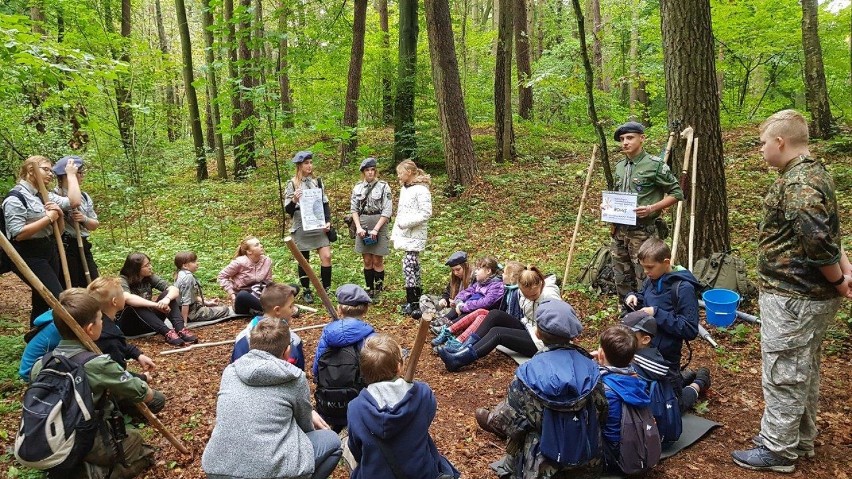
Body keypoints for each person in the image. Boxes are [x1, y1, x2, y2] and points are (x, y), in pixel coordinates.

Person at [732, 110, 852, 473]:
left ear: (780, 142)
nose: (762, 151)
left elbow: (818, 241)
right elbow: (833, 235)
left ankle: (778, 450)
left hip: (794, 296)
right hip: (807, 296)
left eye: (764, 144)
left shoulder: (799, 184)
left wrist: (837, 279)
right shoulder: (816, 174)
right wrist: (845, 273)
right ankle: (798, 438)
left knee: (784, 370)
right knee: (803, 366)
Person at [30, 288, 163, 478]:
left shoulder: (41, 364)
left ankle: (69, 463)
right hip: (84, 438)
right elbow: (143, 393)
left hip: (46, 438)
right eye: (101, 319)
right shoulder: (98, 363)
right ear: (91, 329)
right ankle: (90, 473)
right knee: (140, 446)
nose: (104, 322)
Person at [475, 300, 607, 479]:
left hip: (542, 465)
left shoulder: (527, 373)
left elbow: (510, 423)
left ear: (537, 333)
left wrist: (494, 420)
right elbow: (602, 411)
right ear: (573, 335)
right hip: (587, 459)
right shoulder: (592, 369)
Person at [202, 318, 342, 479]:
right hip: (270, 472)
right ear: (287, 350)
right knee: (331, 440)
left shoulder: (230, 372)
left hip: (218, 467)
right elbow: (306, 426)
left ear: (251, 344)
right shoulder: (294, 377)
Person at [346, 334, 459, 479]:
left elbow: (357, 450)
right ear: (399, 367)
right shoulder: (423, 394)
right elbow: (427, 418)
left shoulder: (355, 408)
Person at [609, 121, 684, 298]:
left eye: (630, 137)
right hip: (619, 231)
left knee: (646, 277)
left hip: (642, 232)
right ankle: (626, 312)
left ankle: (648, 314)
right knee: (621, 277)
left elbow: (677, 193)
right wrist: (608, 206)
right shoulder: (620, 166)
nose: (625, 142)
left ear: (642, 138)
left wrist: (652, 208)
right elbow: (618, 194)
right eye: (622, 139)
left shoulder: (655, 165)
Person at [437, 265, 561, 372]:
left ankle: (458, 360)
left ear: (540, 284)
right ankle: (462, 348)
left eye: (533, 295)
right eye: (526, 295)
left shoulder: (550, 295)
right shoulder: (520, 291)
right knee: (495, 314)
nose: (530, 298)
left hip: (542, 341)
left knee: (498, 333)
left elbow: (559, 320)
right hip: (528, 327)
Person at [3, 155, 80, 324]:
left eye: (51, 171)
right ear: (31, 170)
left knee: (41, 300)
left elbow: (72, 202)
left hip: (49, 249)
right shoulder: (15, 198)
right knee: (57, 298)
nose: (51, 174)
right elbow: (18, 234)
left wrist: (58, 215)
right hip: (28, 255)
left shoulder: (44, 195)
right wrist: (48, 217)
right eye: (46, 169)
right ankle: (71, 336)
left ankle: (36, 341)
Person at [623, 238, 699, 370]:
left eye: (650, 267)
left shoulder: (684, 288)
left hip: (666, 358)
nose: (646, 271)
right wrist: (633, 297)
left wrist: (656, 313)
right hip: (644, 350)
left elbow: (689, 329)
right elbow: (643, 296)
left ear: (666, 262)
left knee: (666, 389)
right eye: (643, 267)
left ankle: (698, 381)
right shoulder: (653, 278)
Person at [312, 284, 375, 430]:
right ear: (365, 309)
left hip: (329, 405)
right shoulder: (370, 337)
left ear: (339, 309)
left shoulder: (327, 335)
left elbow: (316, 370)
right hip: (359, 405)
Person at [621, 310, 710, 414]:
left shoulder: (654, 365)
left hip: (668, 391)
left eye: (629, 334)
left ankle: (700, 381)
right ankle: (688, 376)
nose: (622, 337)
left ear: (645, 339)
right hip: (664, 383)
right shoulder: (630, 351)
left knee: (679, 404)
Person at [595, 325, 654, 475]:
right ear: (633, 357)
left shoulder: (602, 388)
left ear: (601, 354)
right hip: (634, 446)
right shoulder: (636, 379)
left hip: (612, 455)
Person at [433, 260, 524, 352]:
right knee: (478, 312)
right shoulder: (485, 283)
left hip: (505, 321)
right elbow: (467, 291)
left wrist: (463, 306)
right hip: (486, 313)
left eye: (504, 273)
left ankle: (454, 335)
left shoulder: (501, 287)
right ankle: (456, 338)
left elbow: (486, 302)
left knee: (480, 311)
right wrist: (459, 301)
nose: (502, 275)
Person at [117, 252, 198, 346]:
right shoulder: (122, 280)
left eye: (149, 264)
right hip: (130, 326)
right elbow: (127, 298)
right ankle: (167, 333)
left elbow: (174, 289)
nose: (150, 267)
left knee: (167, 293)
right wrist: (156, 305)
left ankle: (180, 329)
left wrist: (166, 299)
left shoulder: (149, 277)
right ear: (136, 268)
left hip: (150, 324)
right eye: (146, 265)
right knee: (135, 303)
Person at [285, 151, 334, 304]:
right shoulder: (292, 183)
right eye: (306, 163)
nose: (309, 166)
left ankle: (326, 289)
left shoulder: (317, 182)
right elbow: (288, 210)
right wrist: (294, 199)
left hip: (318, 223)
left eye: (311, 162)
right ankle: (307, 290)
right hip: (301, 223)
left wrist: (328, 221)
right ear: (299, 165)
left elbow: (325, 203)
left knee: (326, 256)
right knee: (303, 260)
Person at [89, 277, 156, 381]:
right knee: (158, 397)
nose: (125, 295)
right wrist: (142, 378)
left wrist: (137, 355)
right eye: (122, 293)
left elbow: (121, 343)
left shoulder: (99, 323)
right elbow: (116, 376)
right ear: (114, 302)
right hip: (106, 387)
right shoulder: (109, 339)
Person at [390, 159, 433, 316]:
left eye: (400, 173)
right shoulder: (405, 188)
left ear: (409, 172)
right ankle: (416, 300)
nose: (399, 176)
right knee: (412, 266)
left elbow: (426, 213)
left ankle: (413, 302)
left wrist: (406, 224)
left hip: (415, 234)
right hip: (405, 233)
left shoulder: (421, 190)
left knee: (408, 264)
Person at [231, 282, 304, 369]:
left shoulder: (242, 337)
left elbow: (236, 367)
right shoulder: (293, 340)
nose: (293, 310)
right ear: (277, 310)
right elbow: (298, 371)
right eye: (290, 306)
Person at [53, 155, 99, 287]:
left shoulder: (84, 196)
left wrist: (83, 219)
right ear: (65, 175)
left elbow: (94, 224)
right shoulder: (53, 195)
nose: (82, 176)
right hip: (66, 247)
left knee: (94, 283)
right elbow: (72, 202)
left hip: (83, 245)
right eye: (78, 173)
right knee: (71, 284)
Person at [350, 157, 393, 297]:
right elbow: (354, 209)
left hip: (379, 222)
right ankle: (369, 289)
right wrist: (358, 227)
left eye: (372, 170)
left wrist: (376, 229)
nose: (370, 173)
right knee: (367, 260)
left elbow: (387, 210)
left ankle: (378, 290)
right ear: (363, 172)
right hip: (363, 223)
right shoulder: (358, 187)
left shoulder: (383, 186)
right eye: (367, 170)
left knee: (377, 260)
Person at [217, 236, 274, 315]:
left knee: (292, 287)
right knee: (242, 295)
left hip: (260, 295)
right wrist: (232, 294)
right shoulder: (239, 262)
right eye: (257, 245)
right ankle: (272, 310)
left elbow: (268, 281)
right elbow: (222, 276)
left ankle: (267, 308)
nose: (261, 246)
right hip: (243, 301)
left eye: (260, 243)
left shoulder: (267, 261)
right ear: (249, 251)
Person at [174, 251, 231, 323]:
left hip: (189, 307)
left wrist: (207, 303)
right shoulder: (188, 277)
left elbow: (192, 295)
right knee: (225, 309)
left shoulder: (180, 273)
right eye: (194, 262)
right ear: (185, 266)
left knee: (219, 305)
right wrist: (183, 323)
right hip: (190, 312)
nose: (197, 263)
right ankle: (188, 318)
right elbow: (185, 301)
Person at [420, 250, 472, 323]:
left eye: (458, 269)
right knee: (424, 298)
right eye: (453, 270)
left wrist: (456, 303)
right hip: (448, 307)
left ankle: (436, 319)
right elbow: (447, 293)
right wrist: (444, 299)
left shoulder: (473, 278)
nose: (456, 273)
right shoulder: (455, 278)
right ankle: (434, 317)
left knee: (453, 313)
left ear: (465, 266)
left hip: (458, 309)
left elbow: (473, 299)